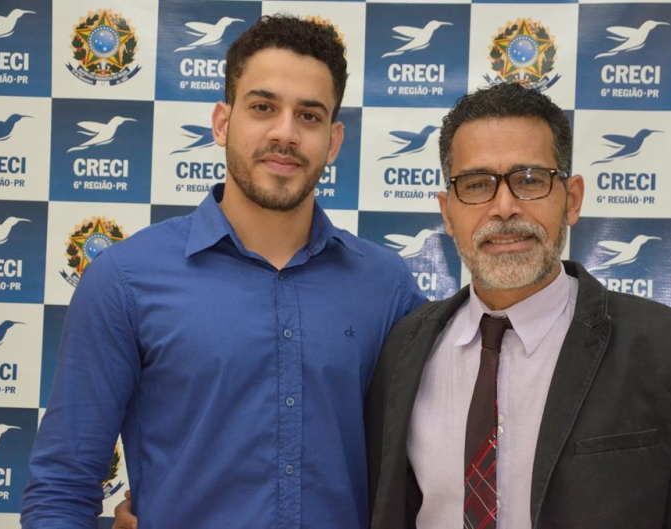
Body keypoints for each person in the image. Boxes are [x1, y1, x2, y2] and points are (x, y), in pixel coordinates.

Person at [21, 15, 424, 529]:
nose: (285, 133)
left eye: (309, 116)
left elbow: (429, 464)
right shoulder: (124, 280)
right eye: (263, 107)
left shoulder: (386, 286)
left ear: (333, 140)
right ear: (221, 122)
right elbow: (62, 486)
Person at [365, 83, 671, 528]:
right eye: (476, 185)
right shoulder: (403, 348)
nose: (504, 207)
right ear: (447, 212)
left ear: (572, 199)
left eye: (530, 180)